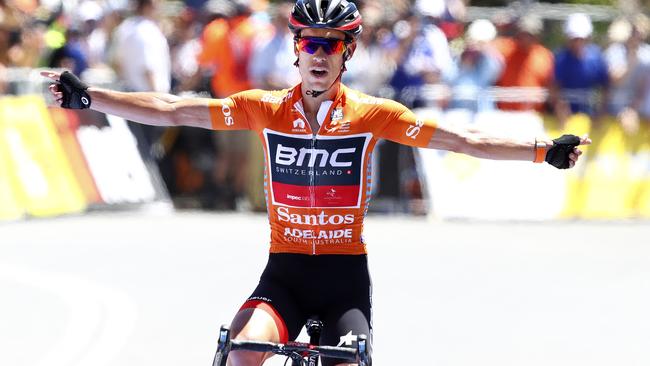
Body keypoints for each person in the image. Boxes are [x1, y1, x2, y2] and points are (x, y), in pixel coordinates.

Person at [42, 1, 590, 365]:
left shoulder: (374, 115)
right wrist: (91, 95)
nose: (319, 54)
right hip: (285, 274)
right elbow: (173, 108)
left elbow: (464, 139)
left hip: (342, 280)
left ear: (347, 53)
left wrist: (543, 150)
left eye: (331, 45)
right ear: (296, 50)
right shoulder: (264, 109)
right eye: (310, 43)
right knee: (240, 353)